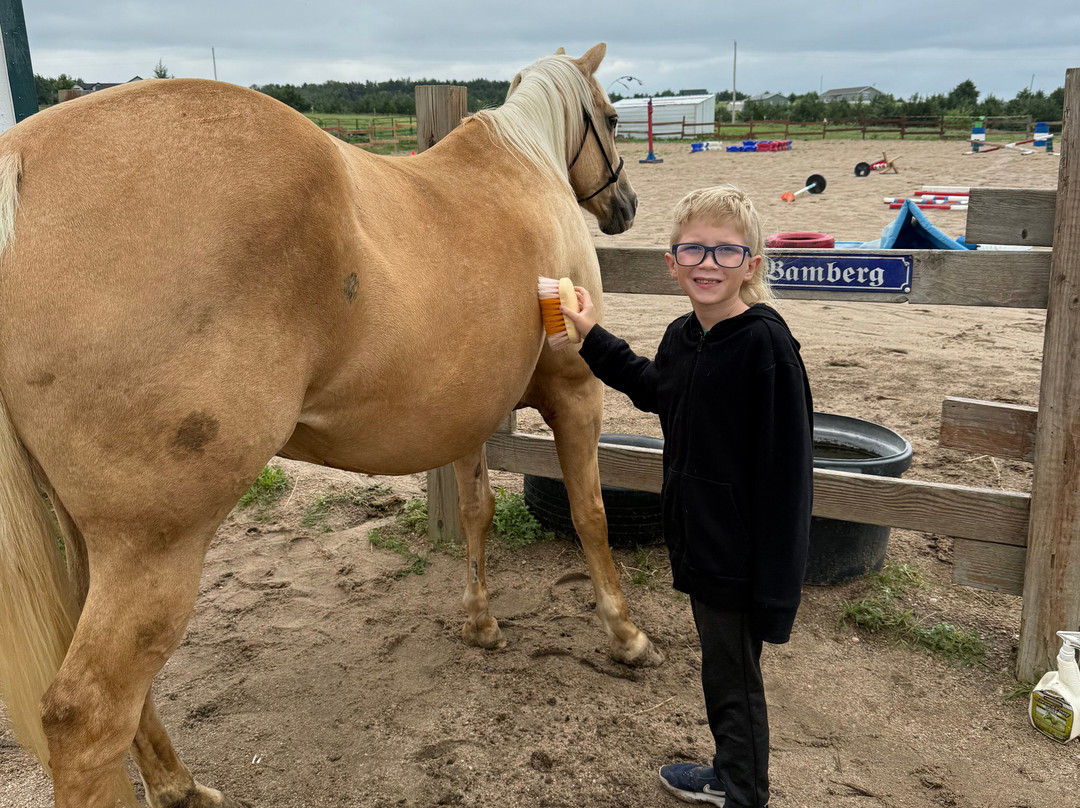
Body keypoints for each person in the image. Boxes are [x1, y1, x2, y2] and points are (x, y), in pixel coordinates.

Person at [560, 184, 813, 808]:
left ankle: (743, 791)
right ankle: (729, 774)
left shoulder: (767, 348)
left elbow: (789, 480)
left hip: (742, 555)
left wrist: (777, 590)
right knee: (721, 670)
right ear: (671, 262)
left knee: (735, 679)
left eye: (726, 252)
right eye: (693, 250)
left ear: (751, 265)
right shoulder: (683, 336)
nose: (708, 263)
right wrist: (591, 334)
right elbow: (654, 389)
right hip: (698, 542)